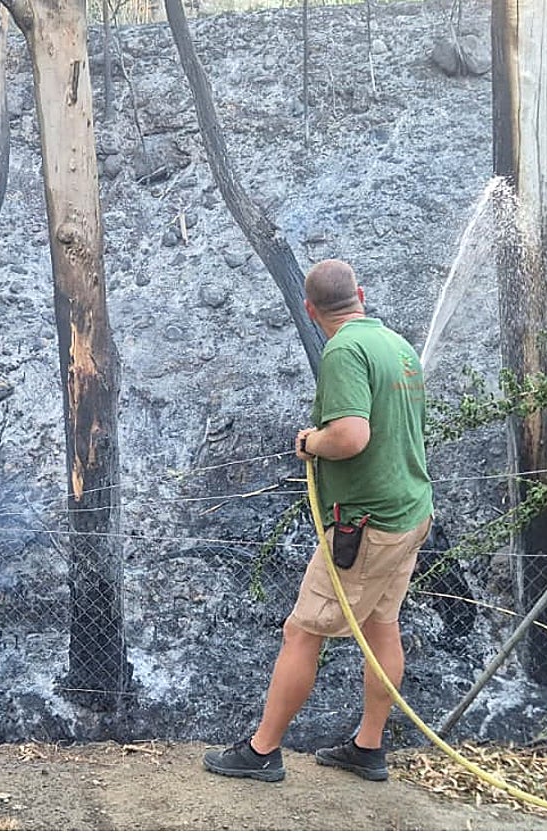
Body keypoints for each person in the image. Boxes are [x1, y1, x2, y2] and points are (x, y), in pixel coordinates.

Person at [204, 259, 433, 783]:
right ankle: (367, 748)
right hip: (408, 512)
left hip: (367, 525)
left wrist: (312, 442)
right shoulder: (397, 345)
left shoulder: (344, 351)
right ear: (361, 294)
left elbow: (351, 436)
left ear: (309, 310)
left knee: (301, 632)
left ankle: (262, 752)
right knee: (381, 625)